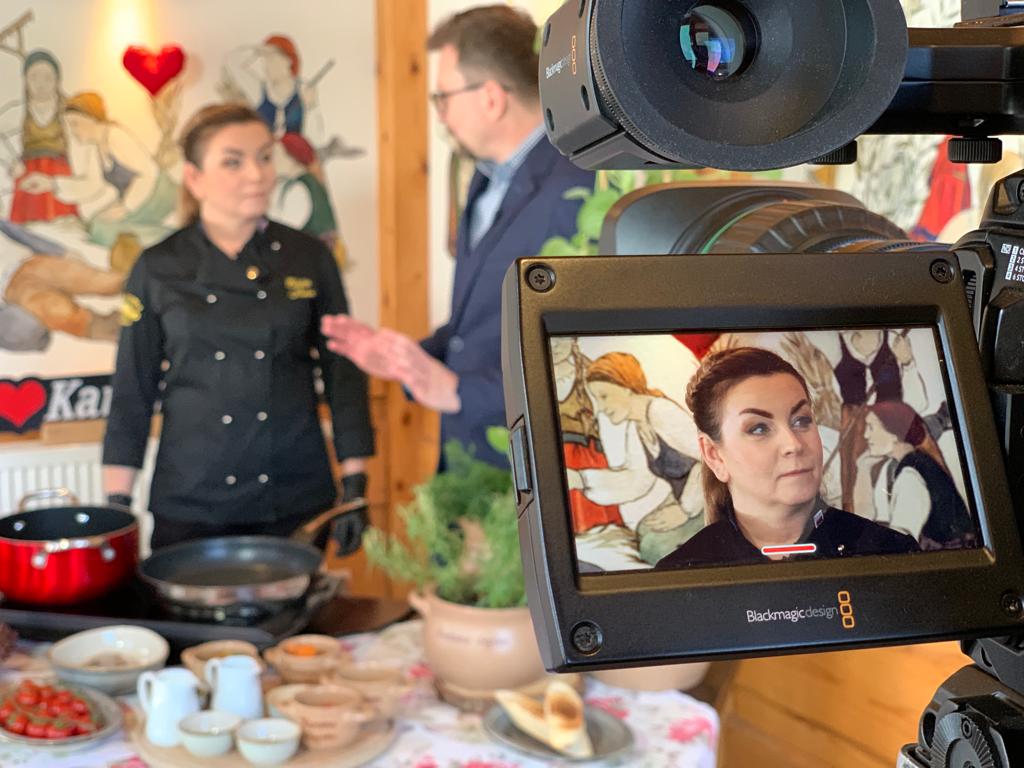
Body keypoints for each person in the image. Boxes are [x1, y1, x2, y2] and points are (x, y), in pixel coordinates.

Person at [321, 5, 595, 466]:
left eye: (443, 97)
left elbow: (579, 351)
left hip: (532, 463)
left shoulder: (578, 188)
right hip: (469, 456)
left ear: (490, 98)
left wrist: (460, 391)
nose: (442, 116)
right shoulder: (484, 180)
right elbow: (479, 324)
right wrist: (406, 358)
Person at [102, 103, 374, 552]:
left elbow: (342, 373)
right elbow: (133, 389)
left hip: (294, 498)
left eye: (265, 157)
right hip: (189, 500)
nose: (257, 174)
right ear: (194, 178)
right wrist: (117, 505)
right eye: (233, 162)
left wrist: (355, 485)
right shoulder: (157, 267)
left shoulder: (309, 257)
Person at [658, 347, 919, 569]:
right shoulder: (678, 578)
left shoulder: (892, 555)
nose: (793, 444)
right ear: (714, 455)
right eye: (759, 428)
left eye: (801, 420)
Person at [566, 351, 703, 566]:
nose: (601, 409)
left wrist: (685, 510)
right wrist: (581, 480)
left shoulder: (661, 412)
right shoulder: (636, 426)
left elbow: (708, 462)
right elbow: (636, 479)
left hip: (710, 501)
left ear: (625, 386)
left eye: (604, 396)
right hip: (688, 504)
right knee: (646, 533)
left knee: (655, 547)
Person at [17, 92, 176, 247]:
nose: (73, 131)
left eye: (75, 124)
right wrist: (50, 184)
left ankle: (168, 237)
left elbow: (148, 174)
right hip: (137, 200)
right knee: (97, 225)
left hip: (156, 195)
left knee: (102, 230)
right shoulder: (96, 147)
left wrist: (126, 207)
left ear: (91, 118)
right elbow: (91, 185)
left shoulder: (116, 136)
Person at [857, 401, 975, 550]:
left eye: (871, 427)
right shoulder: (915, 462)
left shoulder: (909, 478)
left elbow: (898, 545)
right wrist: (864, 468)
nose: (866, 435)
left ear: (894, 433)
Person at [0, 49, 78, 223]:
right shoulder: (15, 111)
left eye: (47, 77)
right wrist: (11, 164)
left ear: (57, 80)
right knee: (26, 227)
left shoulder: (69, 110)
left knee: (63, 225)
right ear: (25, 80)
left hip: (60, 172)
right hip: (28, 172)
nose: (40, 84)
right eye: (34, 77)